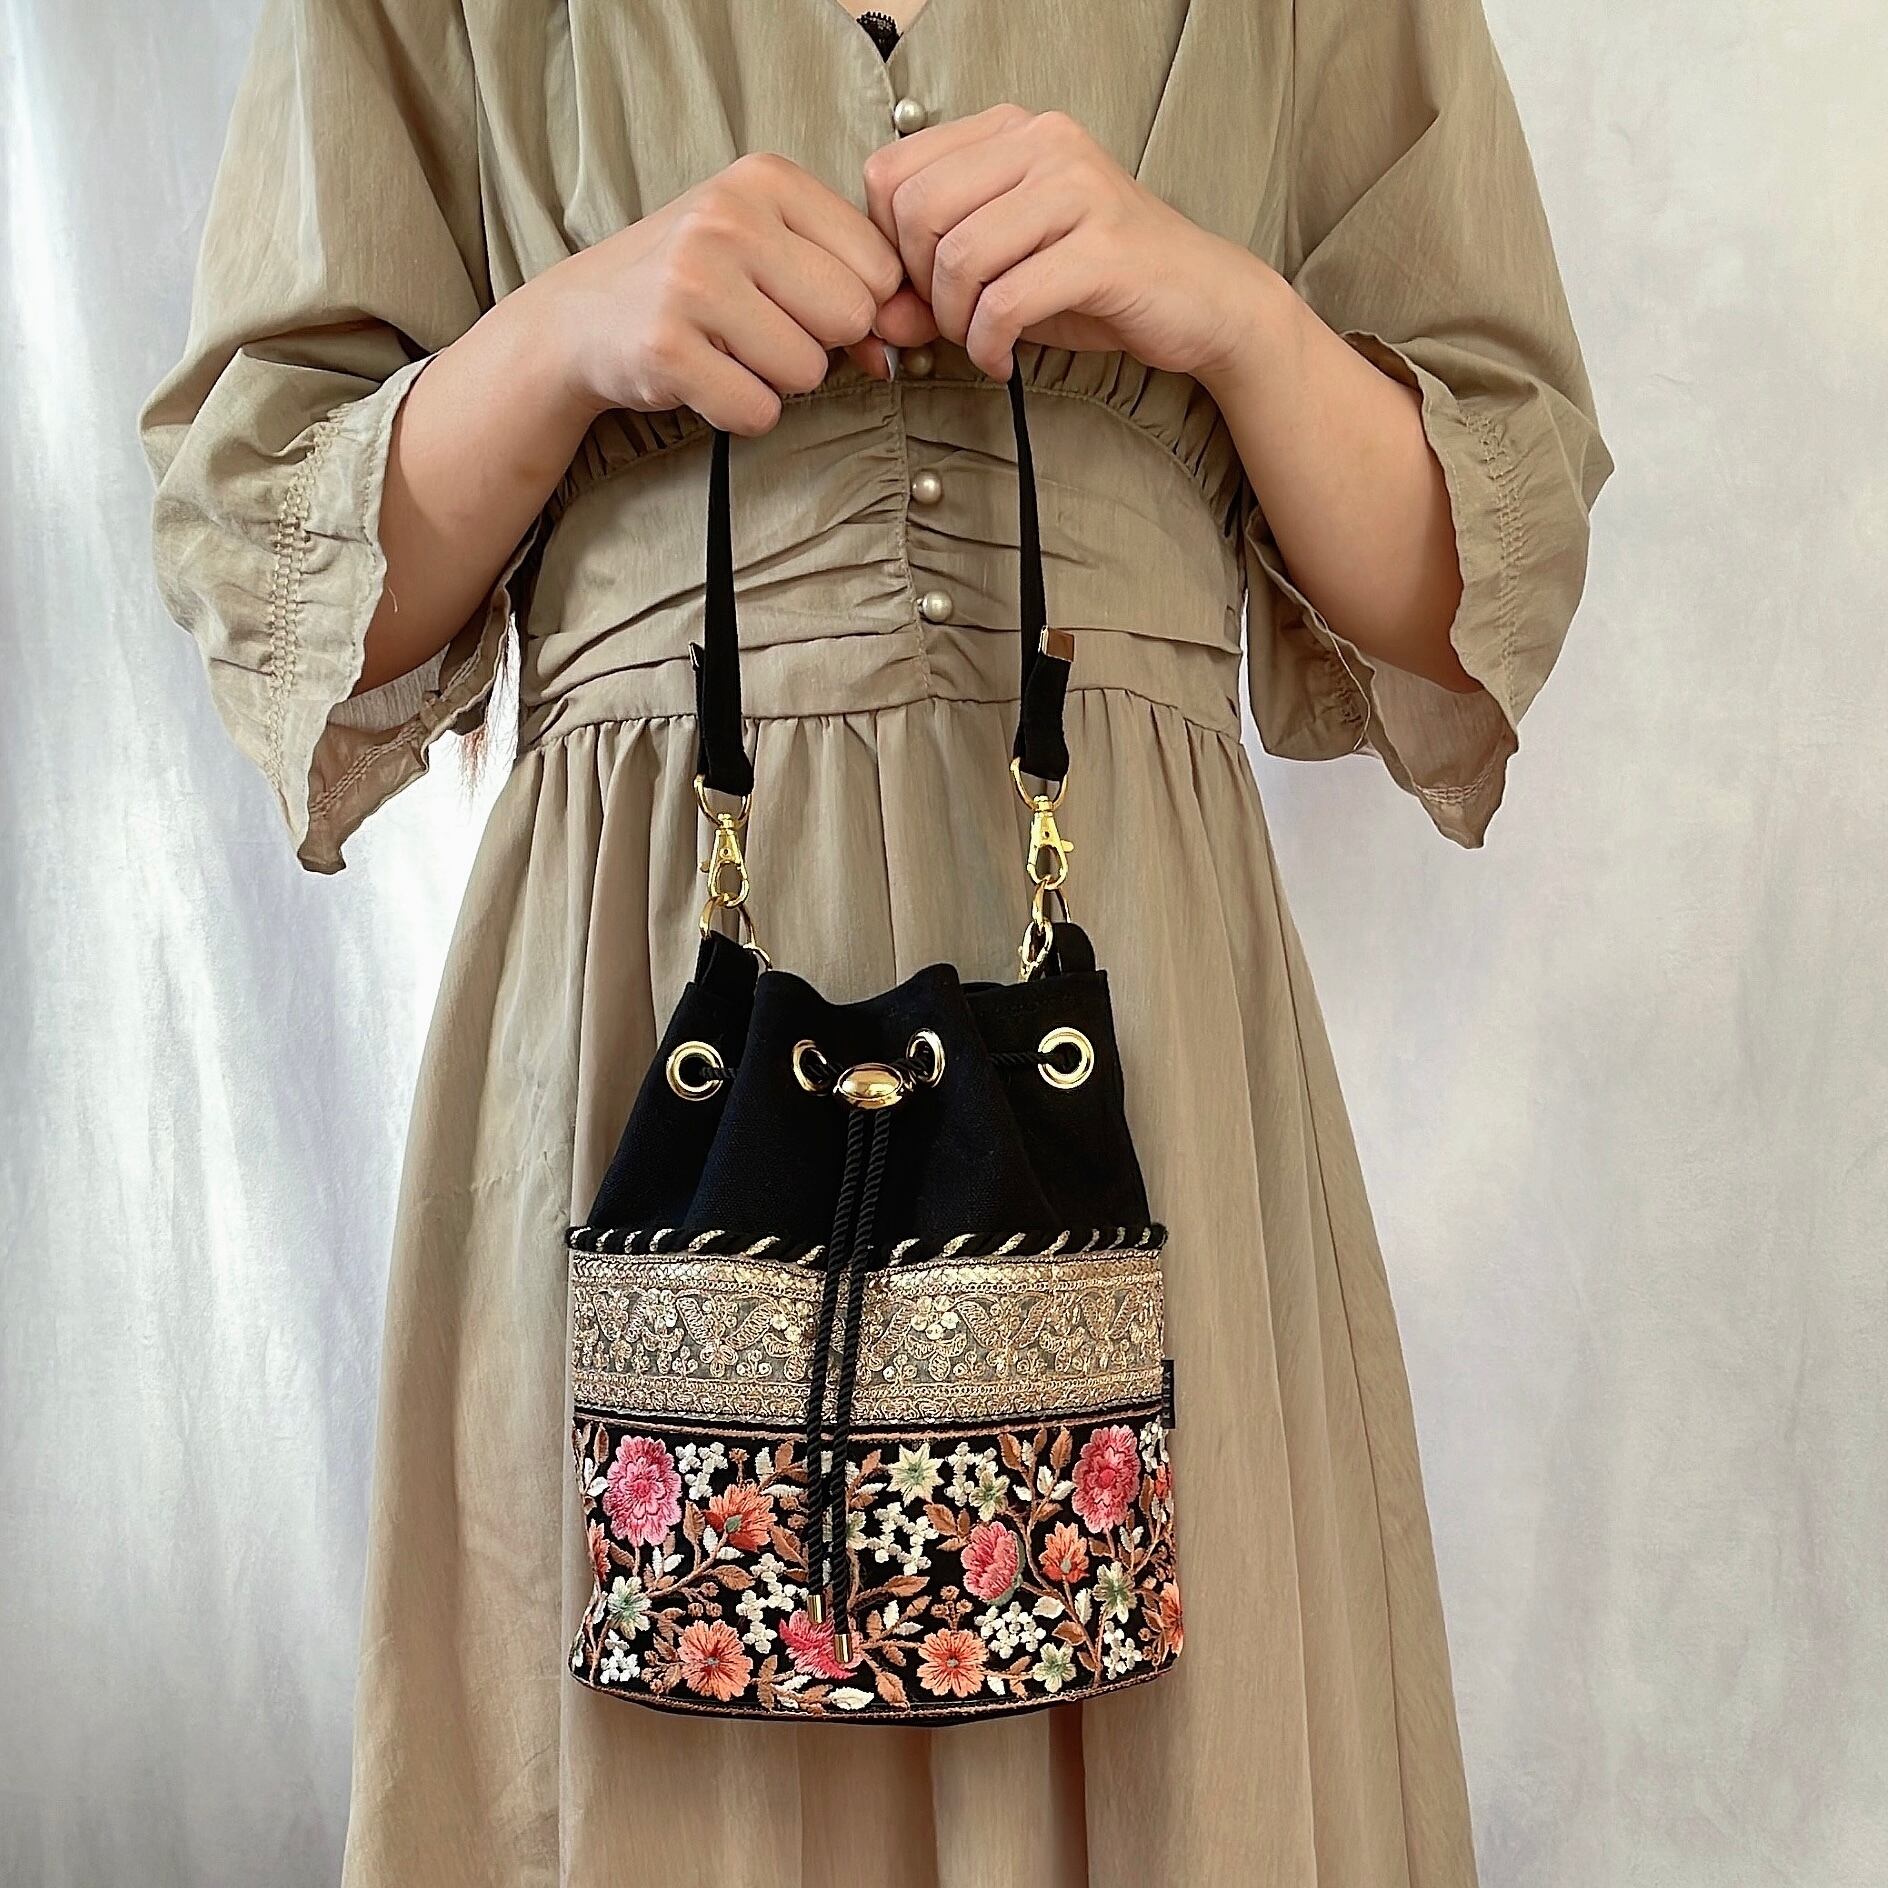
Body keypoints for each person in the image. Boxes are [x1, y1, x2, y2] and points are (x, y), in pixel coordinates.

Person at [141, 2, 1610, 1883]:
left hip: (1139, 1016)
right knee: (675, 1718)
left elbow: (1469, 578)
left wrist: (1230, 314)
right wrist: (569, 332)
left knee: (1177, 1730)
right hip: (645, 999)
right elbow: (281, 573)